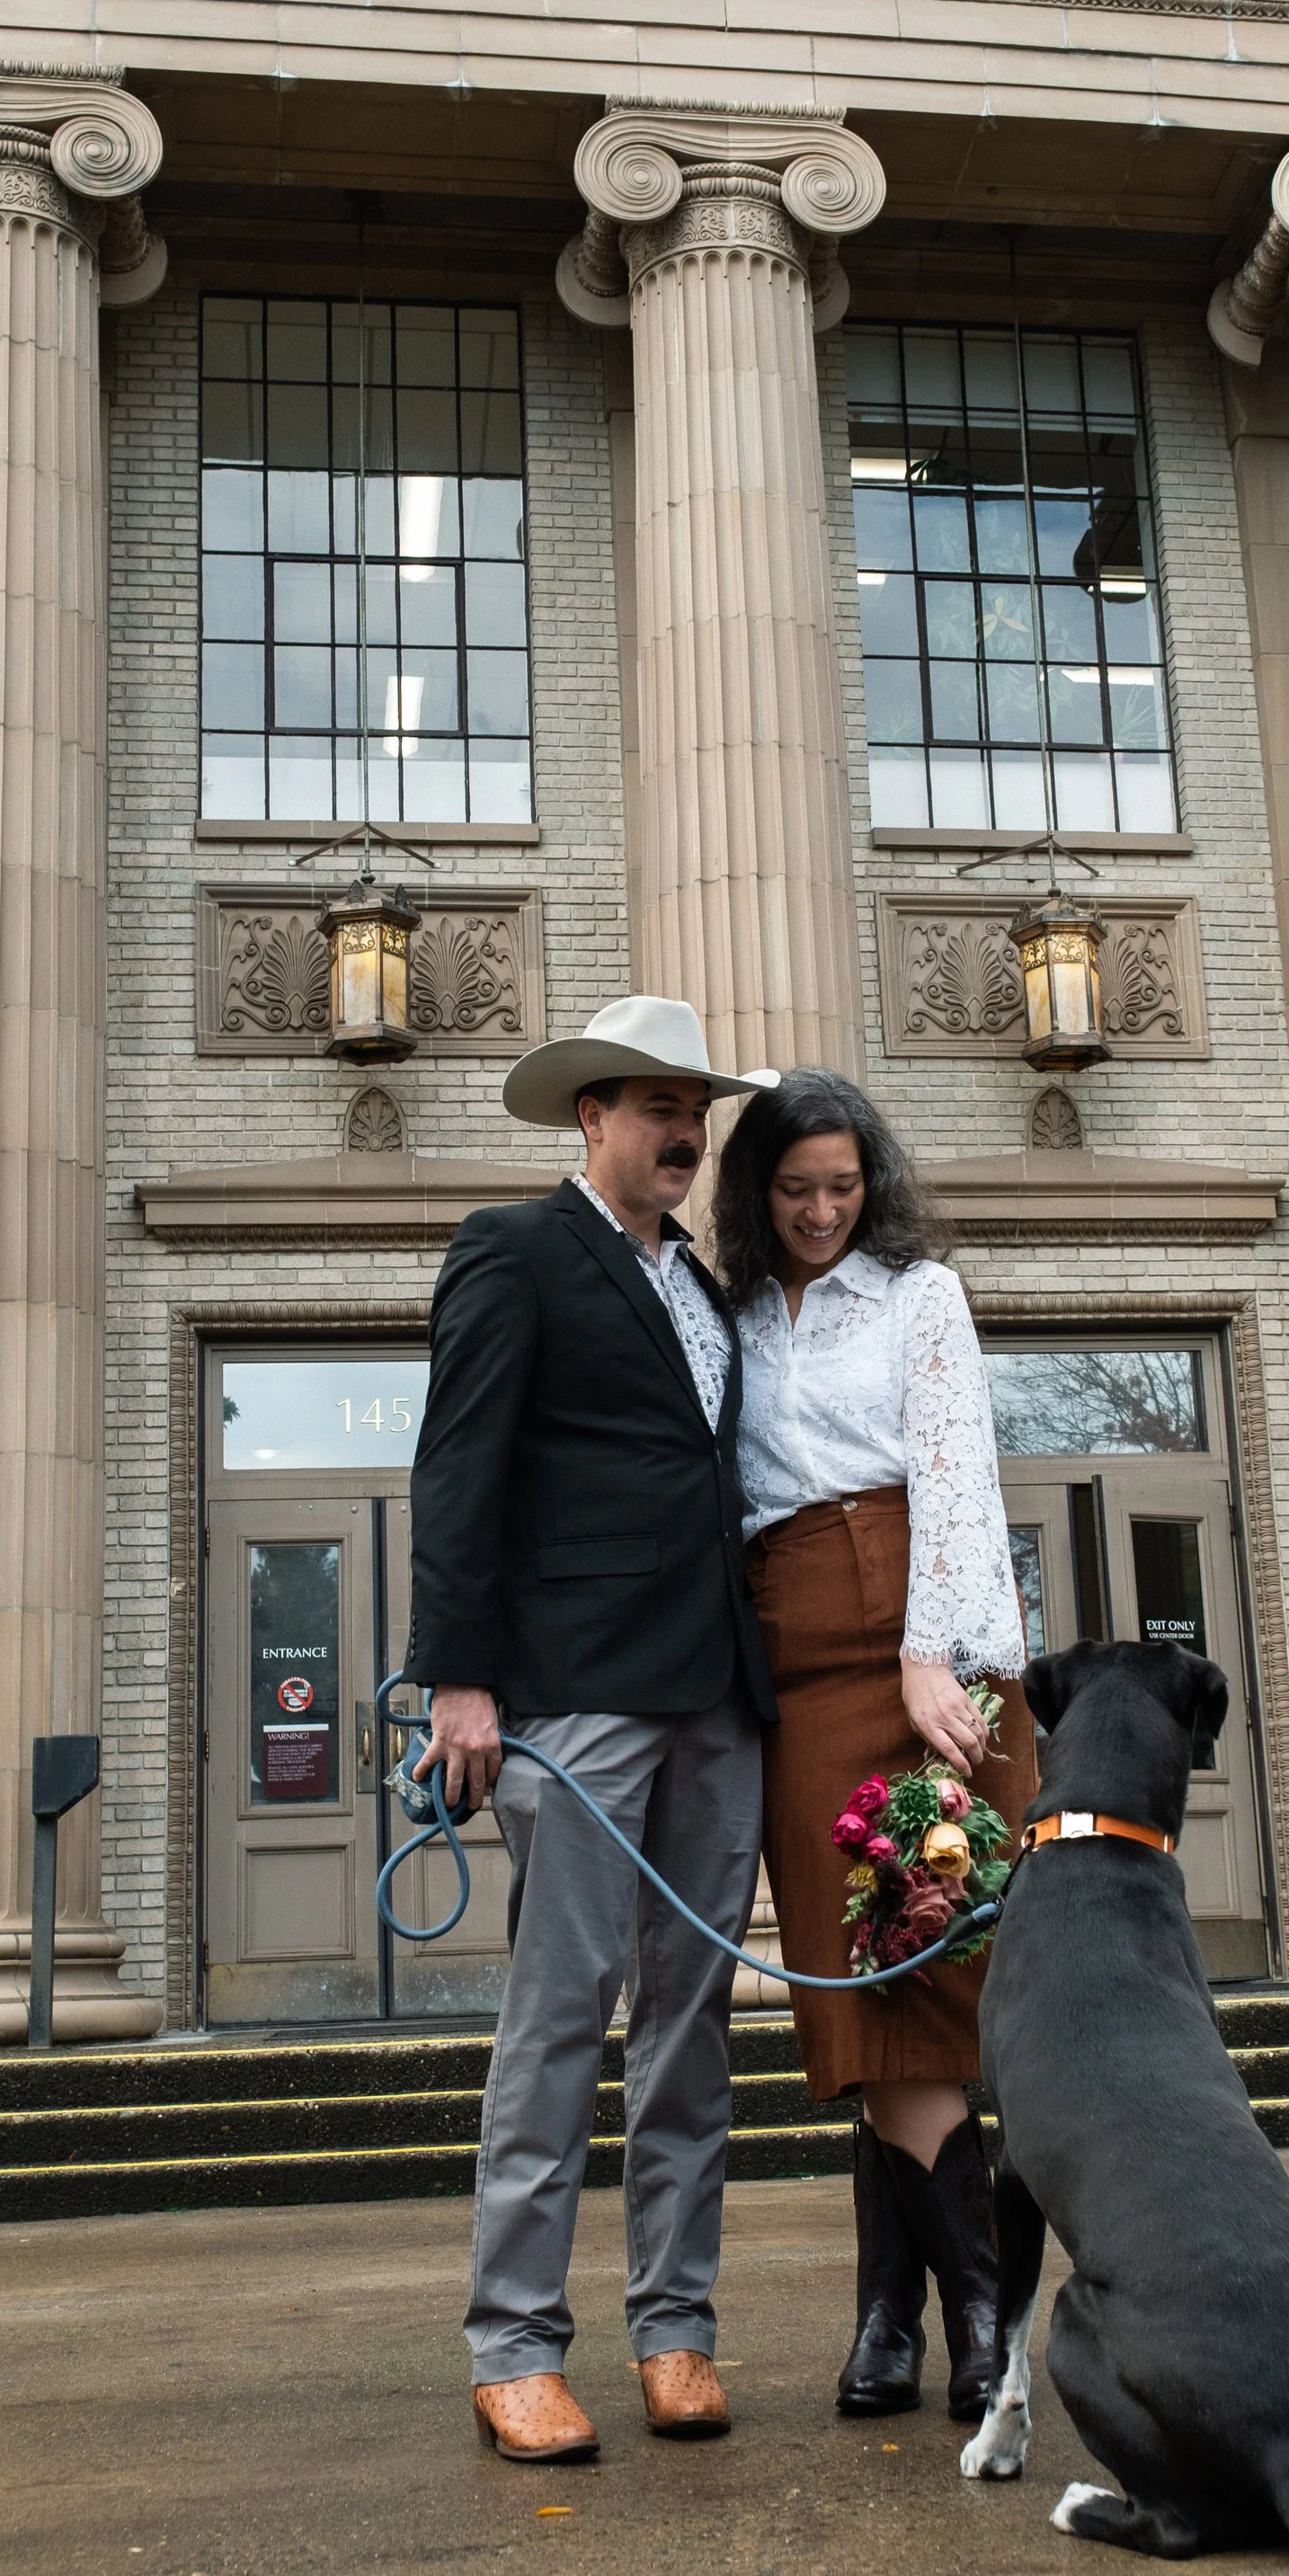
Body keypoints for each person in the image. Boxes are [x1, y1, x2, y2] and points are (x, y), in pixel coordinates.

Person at [407, 993, 781, 2466]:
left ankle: (676, 2328)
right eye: (653, 1104)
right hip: (576, 1695)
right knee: (562, 2014)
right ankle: (513, 2343)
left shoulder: (702, 1282)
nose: (684, 1130)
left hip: (717, 1698)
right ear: (592, 1118)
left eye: (697, 1108)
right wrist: (461, 1682)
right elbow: (460, 1472)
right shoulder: (513, 1252)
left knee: (692, 2025)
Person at [713, 1070, 1037, 2425]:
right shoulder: (726, 1315)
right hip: (791, 1658)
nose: (824, 1210)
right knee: (860, 1999)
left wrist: (930, 1657)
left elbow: (956, 1469)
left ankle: (972, 2323)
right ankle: (889, 2325)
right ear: (758, 1191)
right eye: (797, 1189)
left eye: (845, 1187)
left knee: (922, 1997)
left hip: (924, 1637)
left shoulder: (920, 1297)